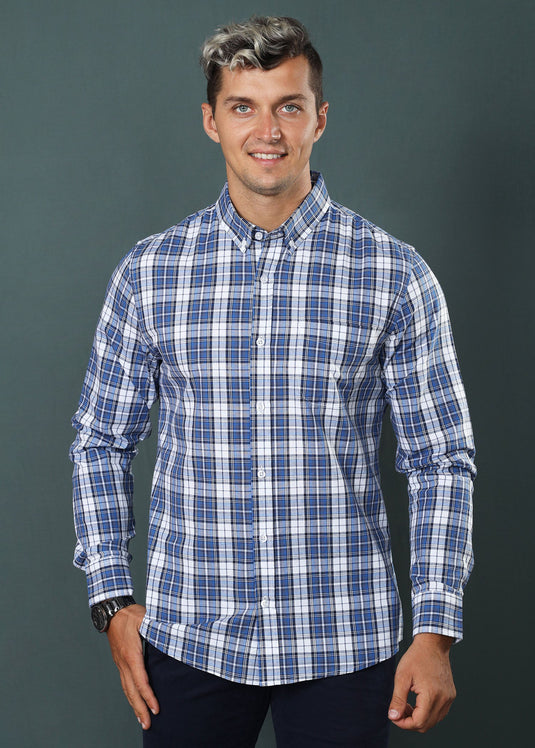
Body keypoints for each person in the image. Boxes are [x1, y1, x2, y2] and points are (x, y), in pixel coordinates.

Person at [70, 15, 475, 748]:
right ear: (211, 121)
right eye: (242, 106)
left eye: (289, 105)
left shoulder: (394, 274)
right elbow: (100, 442)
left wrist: (435, 629)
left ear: (319, 118)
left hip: (345, 641)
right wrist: (111, 599)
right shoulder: (149, 273)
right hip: (189, 639)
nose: (267, 131)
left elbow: (440, 458)